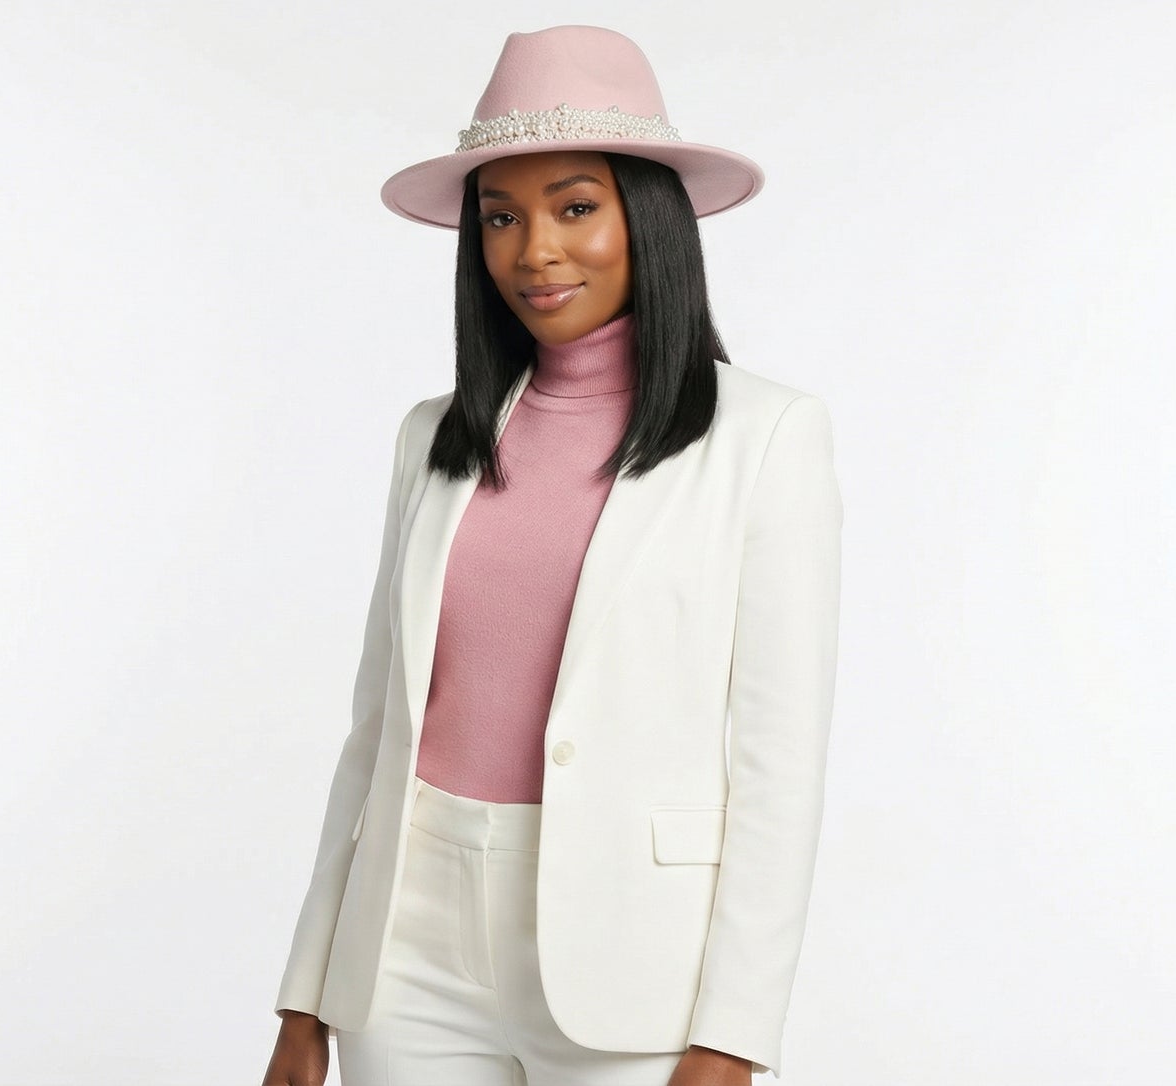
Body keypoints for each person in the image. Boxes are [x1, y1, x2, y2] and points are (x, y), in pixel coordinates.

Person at [261, 24, 842, 1086]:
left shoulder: (763, 437)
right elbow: (378, 728)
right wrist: (309, 993)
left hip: (631, 959)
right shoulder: (432, 437)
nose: (533, 250)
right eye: (499, 217)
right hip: (407, 950)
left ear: (647, 216)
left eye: (575, 206)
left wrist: (733, 1037)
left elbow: (778, 767)